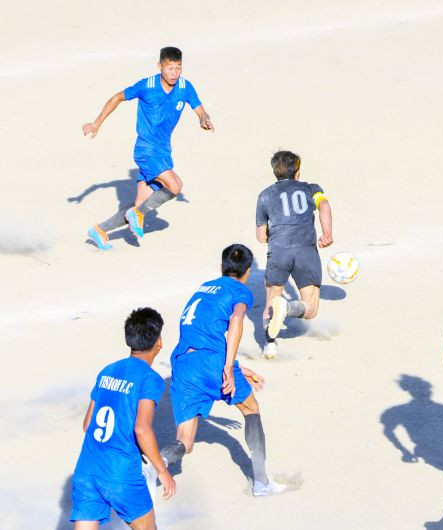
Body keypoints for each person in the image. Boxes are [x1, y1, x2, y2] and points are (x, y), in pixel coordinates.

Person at [161, 243, 286, 497]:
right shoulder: (240, 291)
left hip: (183, 363)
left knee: (185, 441)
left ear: (221, 267)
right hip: (213, 363)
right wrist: (228, 367)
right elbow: (237, 320)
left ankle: (157, 463)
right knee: (251, 408)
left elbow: (203, 333)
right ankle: (261, 483)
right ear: (247, 271)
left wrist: (238, 366)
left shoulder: (204, 288)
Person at [81, 46, 213, 250]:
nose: (174, 73)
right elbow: (117, 98)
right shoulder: (147, 85)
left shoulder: (185, 87)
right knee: (175, 186)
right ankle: (137, 214)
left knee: (138, 206)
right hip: (146, 150)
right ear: (160, 66)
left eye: (178, 68)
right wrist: (96, 123)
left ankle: (99, 230)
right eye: (170, 68)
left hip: (163, 151)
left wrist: (204, 119)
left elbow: (201, 110)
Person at [70, 308, 174, 530]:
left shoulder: (107, 371)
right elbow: (142, 429)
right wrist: (163, 472)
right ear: (159, 342)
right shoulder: (150, 379)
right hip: (120, 473)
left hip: (87, 470)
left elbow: (87, 425)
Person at [255, 150, 333, 359]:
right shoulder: (311, 189)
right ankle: (288, 308)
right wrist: (327, 233)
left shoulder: (264, 196)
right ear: (297, 172)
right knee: (310, 308)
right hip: (306, 251)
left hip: (278, 252)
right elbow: (324, 205)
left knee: (271, 301)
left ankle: (270, 345)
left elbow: (261, 237)